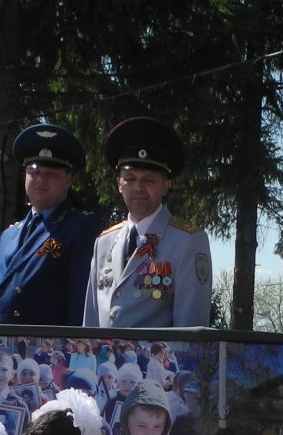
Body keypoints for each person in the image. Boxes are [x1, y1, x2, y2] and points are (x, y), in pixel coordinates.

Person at [83, 117, 213, 328]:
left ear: (166, 185)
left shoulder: (188, 241)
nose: (138, 188)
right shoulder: (104, 242)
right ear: (118, 184)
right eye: (130, 178)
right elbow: (90, 323)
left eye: (149, 180)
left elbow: (190, 331)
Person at [0, 124, 106, 326]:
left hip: (47, 350)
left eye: (51, 174)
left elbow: (80, 305)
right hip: (1, 348)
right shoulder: (9, 234)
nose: (40, 179)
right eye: (35, 172)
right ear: (25, 176)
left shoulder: (81, 227)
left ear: (68, 179)